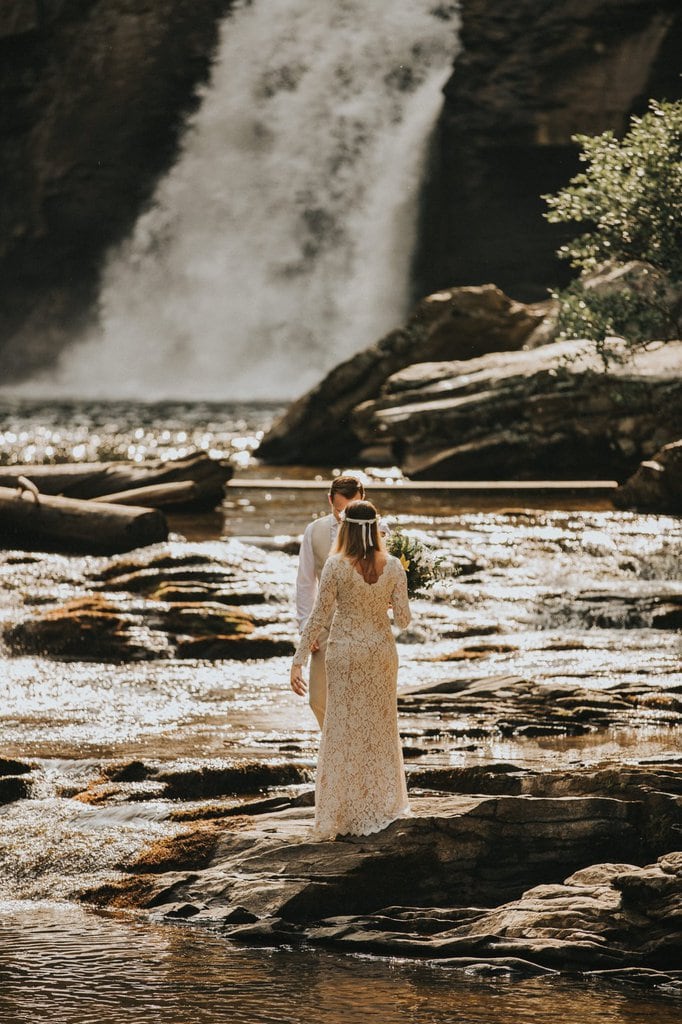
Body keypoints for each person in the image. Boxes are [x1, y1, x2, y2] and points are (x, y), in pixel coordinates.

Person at [290, 499, 412, 840]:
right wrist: (391, 599)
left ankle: (340, 812)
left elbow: (319, 616)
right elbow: (403, 620)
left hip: (343, 654)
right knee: (379, 728)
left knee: (341, 730)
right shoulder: (393, 567)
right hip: (379, 654)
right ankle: (380, 804)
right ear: (375, 529)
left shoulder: (335, 566)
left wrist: (298, 660)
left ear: (345, 529)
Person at [295, 474, 365, 728]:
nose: (344, 517)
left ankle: (350, 758)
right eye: (338, 510)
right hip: (325, 627)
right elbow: (305, 582)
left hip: (364, 628)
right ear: (329, 501)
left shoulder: (380, 532)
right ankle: (335, 751)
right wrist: (305, 627)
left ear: (363, 501)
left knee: (357, 699)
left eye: (350, 510)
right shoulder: (314, 531)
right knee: (318, 699)